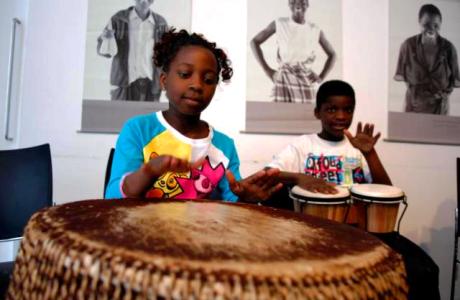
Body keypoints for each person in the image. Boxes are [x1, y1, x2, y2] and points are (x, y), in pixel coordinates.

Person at [105, 28, 282, 202]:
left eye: (208, 80)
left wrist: (245, 198)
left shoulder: (224, 146)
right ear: (164, 81)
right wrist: (149, 172)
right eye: (185, 74)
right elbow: (112, 197)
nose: (197, 85)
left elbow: (231, 203)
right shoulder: (139, 130)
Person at [267, 80, 392, 196]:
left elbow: (387, 192)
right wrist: (299, 177)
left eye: (348, 110)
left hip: (351, 218)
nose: (341, 116)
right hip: (311, 218)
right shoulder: (303, 144)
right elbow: (268, 173)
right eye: (332, 110)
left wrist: (370, 154)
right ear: (317, 112)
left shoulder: (358, 150)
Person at [250, 0, 336, 103]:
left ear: (307, 4)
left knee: (303, 117)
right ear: (289, 4)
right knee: (281, 116)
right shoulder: (280, 23)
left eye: (302, 1)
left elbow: (332, 54)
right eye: (293, 1)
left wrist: (321, 77)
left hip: (306, 82)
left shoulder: (315, 29)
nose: (298, 3)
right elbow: (254, 42)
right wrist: (267, 70)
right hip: (283, 80)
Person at [394, 3, 460, 115]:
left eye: (436, 25)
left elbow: (454, 81)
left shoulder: (449, 48)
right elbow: (403, 77)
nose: (431, 29)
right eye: (426, 24)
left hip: (440, 113)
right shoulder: (408, 46)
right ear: (419, 22)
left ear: (441, 24)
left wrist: (441, 95)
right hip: (413, 110)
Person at [97, 0, 168, 102]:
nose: (143, 1)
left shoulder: (161, 23)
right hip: (123, 85)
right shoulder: (118, 19)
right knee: (121, 117)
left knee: (148, 117)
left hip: (152, 86)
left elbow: (167, 56)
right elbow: (104, 51)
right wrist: (106, 39)